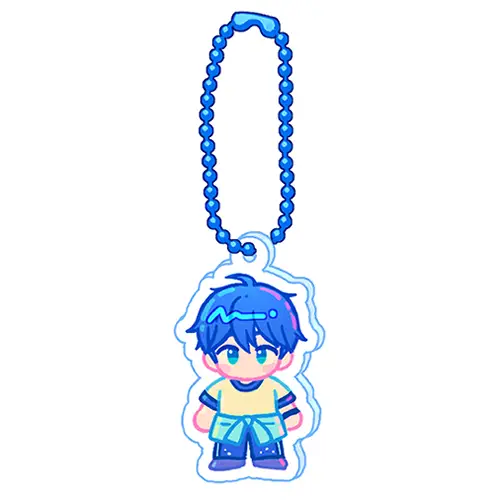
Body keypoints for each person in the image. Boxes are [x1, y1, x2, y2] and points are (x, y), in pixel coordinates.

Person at [187, 273, 306, 471]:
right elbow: (207, 410)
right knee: (228, 450)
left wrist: (290, 415)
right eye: (231, 354)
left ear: (284, 357)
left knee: (268, 450)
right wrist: (205, 417)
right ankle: (227, 459)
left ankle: (270, 458)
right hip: (229, 427)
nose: (247, 362)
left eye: (262, 354)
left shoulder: (273, 386)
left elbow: (288, 407)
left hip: (267, 427)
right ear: (210, 359)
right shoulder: (221, 387)